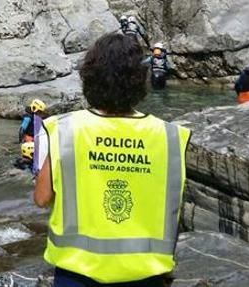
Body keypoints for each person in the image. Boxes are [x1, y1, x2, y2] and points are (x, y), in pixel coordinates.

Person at [33, 33, 190, 286]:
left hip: (77, 272)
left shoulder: (66, 129)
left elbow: (41, 198)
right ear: (139, 80)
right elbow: (174, 206)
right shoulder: (169, 136)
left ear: (90, 78)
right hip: (145, 272)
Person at [15, 99, 46, 170]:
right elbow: (22, 129)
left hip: (33, 138)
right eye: (39, 111)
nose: (40, 113)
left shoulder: (35, 117)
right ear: (34, 108)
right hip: (28, 139)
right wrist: (21, 142)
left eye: (41, 112)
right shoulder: (28, 117)